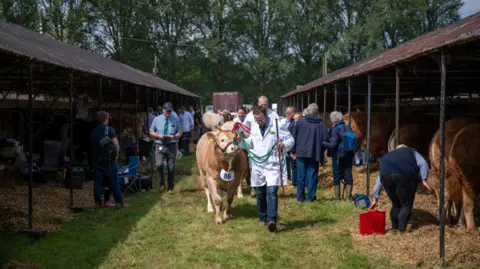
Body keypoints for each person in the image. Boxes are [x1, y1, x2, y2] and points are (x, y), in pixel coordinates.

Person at [241, 106, 294, 232]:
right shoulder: (254, 127)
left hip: (272, 165)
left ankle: (271, 220)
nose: (259, 123)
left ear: (266, 116)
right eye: (256, 120)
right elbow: (250, 143)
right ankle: (262, 218)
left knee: (271, 192)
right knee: (259, 194)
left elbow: (290, 139)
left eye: (261, 120)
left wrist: (284, 144)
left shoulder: (276, 125)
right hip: (258, 165)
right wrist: (240, 141)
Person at [370, 144, 431, 233]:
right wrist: (424, 179)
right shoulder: (411, 151)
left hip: (386, 178)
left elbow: (379, 178)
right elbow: (423, 163)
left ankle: (394, 228)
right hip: (404, 176)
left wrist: (375, 198)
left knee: (396, 204)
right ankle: (401, 230)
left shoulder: (387, 156)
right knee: (406, 204)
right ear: (405, 149)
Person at [291, 103, 329, 202]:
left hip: (301, 152)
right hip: (314, 152)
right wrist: (321, 151)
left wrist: (293, 150)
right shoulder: (321, 124)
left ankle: (300, 197)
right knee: (312, 175)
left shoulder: (300, 121)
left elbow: (294, 136)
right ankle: (311, 197)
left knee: (301, 175)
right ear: (317, 112)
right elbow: (325, 139)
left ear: (308, 111)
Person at [91, 111, 125, 208]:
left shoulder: (93, 132)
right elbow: (116, 144)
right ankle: (118, 202)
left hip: (98, 161)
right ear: (105, 119)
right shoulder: (109, 129)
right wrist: (117, 156)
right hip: (109, 160)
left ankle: (97, 203)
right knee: (114, 181)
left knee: (98, 182)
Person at [149, 102, 182, 193]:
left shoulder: (175, 119)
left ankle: (170, 187)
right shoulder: (156, 119)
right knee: (159, 165)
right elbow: (151, 131)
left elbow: (180, 132)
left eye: (170, 111)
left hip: (171, 145)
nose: (168, 113)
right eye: (167, 111)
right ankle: (161, 183)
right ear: (163, 110)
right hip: (159, 144)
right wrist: (158, 135)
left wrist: (174, 136)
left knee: (171, 167)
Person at [322, 111, 355, 201]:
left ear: (333, 119)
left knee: (336, 175)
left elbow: (333, 145)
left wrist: (323, 142)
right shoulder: (348, 127)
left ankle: (337, 199)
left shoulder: (335, 129)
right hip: (348, 154)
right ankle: (348, 199)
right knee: (348, 175)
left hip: (337, 156)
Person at [280, 106, 296, 189]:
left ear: (293, 113)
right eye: (286, 112)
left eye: (289, 112)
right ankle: (287, 177)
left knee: (293, 163)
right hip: (283, 145)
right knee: (285, 162)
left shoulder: (295, 122)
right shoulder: (281, 122)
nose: (287, 113)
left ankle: (294, 181)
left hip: (292, 145)